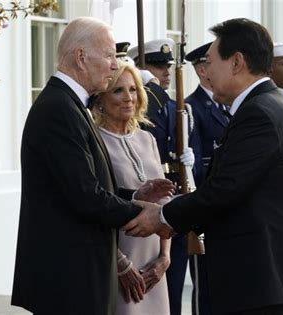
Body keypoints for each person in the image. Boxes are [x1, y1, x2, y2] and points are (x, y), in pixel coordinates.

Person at [123, 18, 283, 315]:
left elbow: (224, 190)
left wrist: (164, 215)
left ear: (236, 62)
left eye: (210, 61)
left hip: (271, 285)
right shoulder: (269, 105)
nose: (205, 71)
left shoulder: (259, 113)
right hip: (277, 281)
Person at [11, 17, 174, 315]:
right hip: (67, 276)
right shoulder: (59, 109)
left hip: (77, 272)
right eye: (110, 55)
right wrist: (150, 214)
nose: (115, 65)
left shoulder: (70, 104)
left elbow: (86, 186)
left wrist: (135, 196)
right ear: (81, 57)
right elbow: (85, 196)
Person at [91, 60, 171, 315]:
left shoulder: (147, 138)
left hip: (154, 266)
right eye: (118, 90)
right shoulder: (94, 142)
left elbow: (163, 206)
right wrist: (120, 265)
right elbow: (91, 206)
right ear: (101, 98)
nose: (128, 98)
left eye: (134, 89)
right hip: (117, 264)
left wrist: (164, 259)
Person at [128, 38, 198, 315]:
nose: (165, 72)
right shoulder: (148, 104)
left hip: (177, 200)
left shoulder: (178, 107)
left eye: (167, 67)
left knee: (175, 285)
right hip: (150, 203)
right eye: (157, 66)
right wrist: (148, 89)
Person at [184, 41, 227, 315]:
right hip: (207, 206)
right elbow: (197, 165)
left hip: (227, 207)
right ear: (202, 70)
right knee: (206, 287)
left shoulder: (229, 105)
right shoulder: (192, 108)